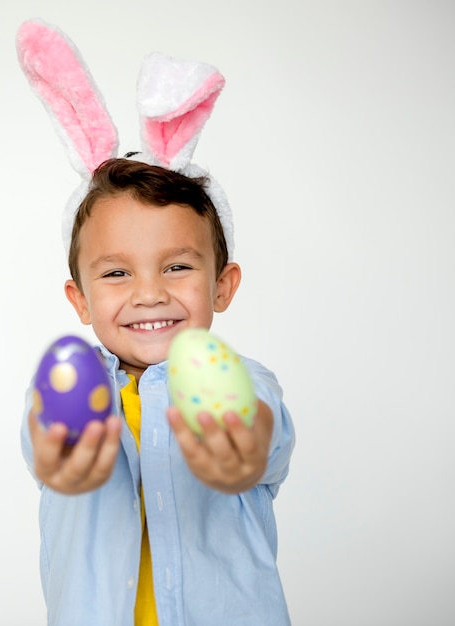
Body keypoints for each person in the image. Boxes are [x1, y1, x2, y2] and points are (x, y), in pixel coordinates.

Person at [21, 157, 295, 625]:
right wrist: (64, 432)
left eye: (177, 266)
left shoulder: (242, 381)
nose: (149, 293)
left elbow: (268, 441)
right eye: (116, 274)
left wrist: (233, 424)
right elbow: (42, 451)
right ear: (81, 300)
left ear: (222, 286)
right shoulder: (76, 388)